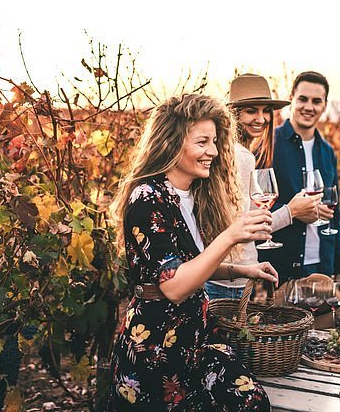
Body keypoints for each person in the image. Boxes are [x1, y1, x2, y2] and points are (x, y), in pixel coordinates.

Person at [107, 93, 278, 411]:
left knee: (252, 401)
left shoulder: (194, 194)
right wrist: (230, 236)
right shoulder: (148, 198)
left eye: (214, 141)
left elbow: (191, 264)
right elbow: (174, 286)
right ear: (172, 143)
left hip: (196, 335)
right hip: (157, 344)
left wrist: (241, 270)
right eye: (202, 142)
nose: (212, 151)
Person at [205, 73, 320, 300]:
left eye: (265, 110)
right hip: (228, 279)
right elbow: (244, 227)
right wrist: (292, 211)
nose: (261, 119)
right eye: (251, 111)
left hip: (225, 274)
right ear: (233, 114)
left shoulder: (227, 152)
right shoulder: (241, 156)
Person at [263, 71, 340, 283]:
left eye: (316, 101)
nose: (309, 107)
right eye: (303, 99)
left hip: (321, 263)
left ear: (325, 105)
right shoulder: (269, 144)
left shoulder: (327, 152)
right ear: (292, 99)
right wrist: (295, 211)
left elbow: (336, 213)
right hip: (279, 265)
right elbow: (255, 207)